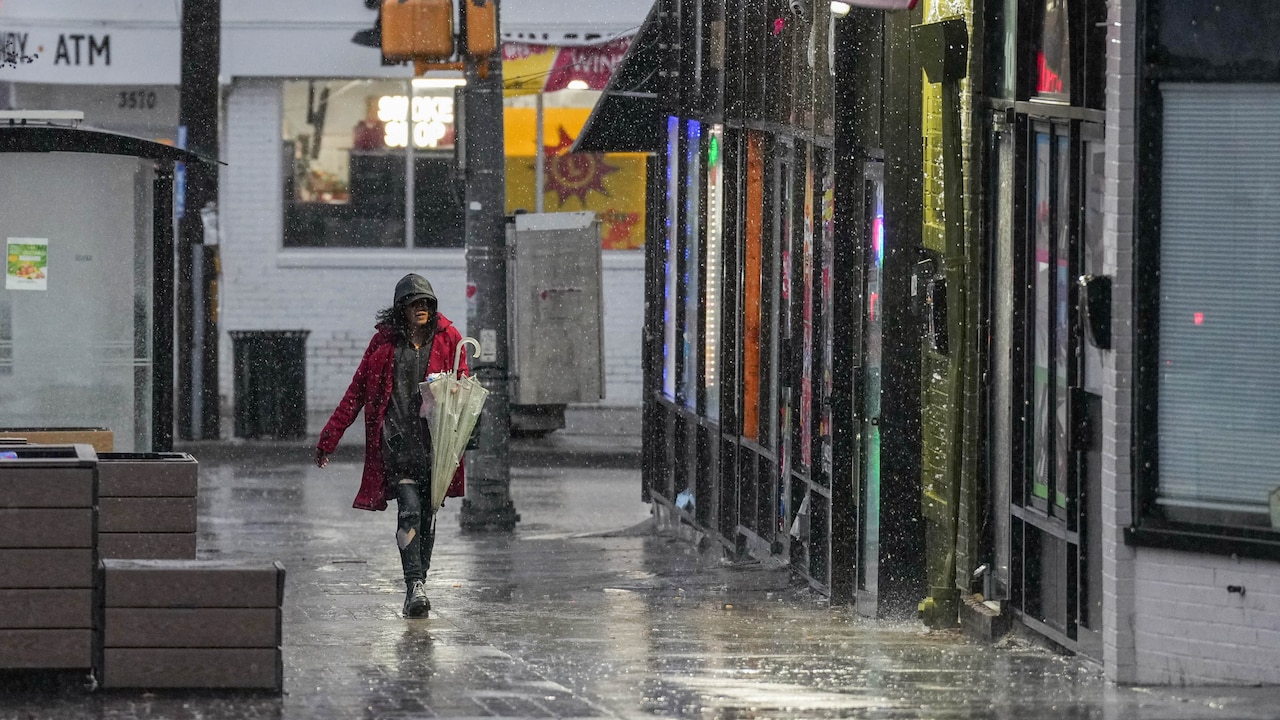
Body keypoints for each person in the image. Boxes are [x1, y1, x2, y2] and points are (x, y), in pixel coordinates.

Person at [314, 273, 468, 618]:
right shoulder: (384, 346)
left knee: (427, 518)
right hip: (397, 446)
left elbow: (464, 385)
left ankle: (419, 584)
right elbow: (356, 394)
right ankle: (414, 585)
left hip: (436, 449)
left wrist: (456, 391)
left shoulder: (450, 340)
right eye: (416, 303)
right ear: (402, 308)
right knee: (410, 511)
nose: (422, 309)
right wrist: (329, 440)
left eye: (427, 303)